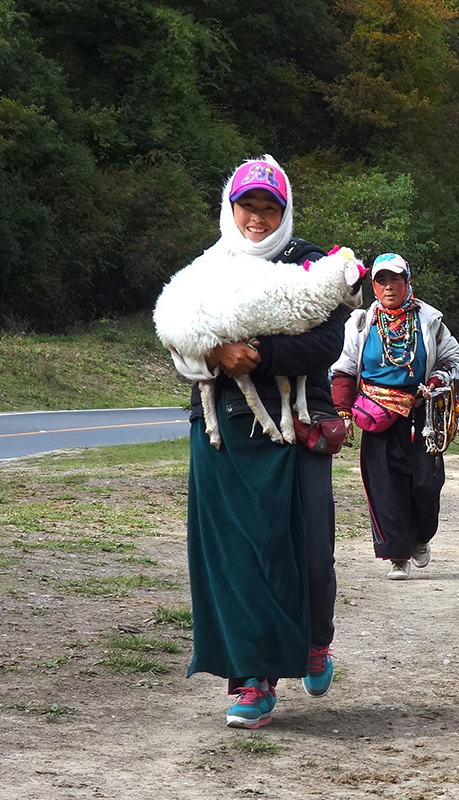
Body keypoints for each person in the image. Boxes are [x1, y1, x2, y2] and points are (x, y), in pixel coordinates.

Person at [155, 156, 365, 729]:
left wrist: (263, 355)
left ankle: (314, 639)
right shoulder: (206, 270)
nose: (258, 216)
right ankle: (252, 681)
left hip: (292, 429)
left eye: (269, 206)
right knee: (235, 560)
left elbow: (326, 341)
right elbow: (178, 342)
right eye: (248, 205)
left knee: (307, 553)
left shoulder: (310, 263)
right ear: (231, 207)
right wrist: (215, 352)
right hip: (222, 432)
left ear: (285, 210)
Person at [330, 253, 459, 581]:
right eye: (381, 281)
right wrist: (343, 411)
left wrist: (437, 380)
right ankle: (397, 556)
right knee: (385, 488)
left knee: (426, 484)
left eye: (395, 279)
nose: (389, 287)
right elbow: (345, 368)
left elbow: (452, 357)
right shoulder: (360, 323)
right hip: (376, 417)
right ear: (373, 286)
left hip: (421, 416)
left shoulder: (429, 320)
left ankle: (420, 537)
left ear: (407, 282)